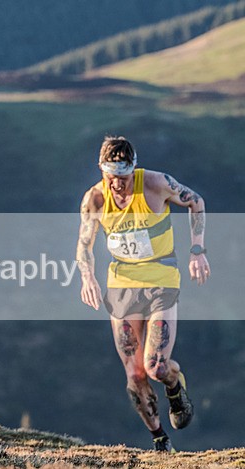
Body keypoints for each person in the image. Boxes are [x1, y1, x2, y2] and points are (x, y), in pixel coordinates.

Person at [76, 135, 210, 452]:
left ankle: (175, 387)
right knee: (135, 375)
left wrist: (197, 250)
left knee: (156, 367)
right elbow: (84, 244)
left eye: (123, 177)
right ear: (101, 170)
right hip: (122, 284)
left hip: (161, 277)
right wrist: (87, 277)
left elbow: (196, 202)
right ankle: (160, 440)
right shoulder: (95, 199)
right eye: (111, 177)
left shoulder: (155, 183)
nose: (117, 185)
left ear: (133, 169)